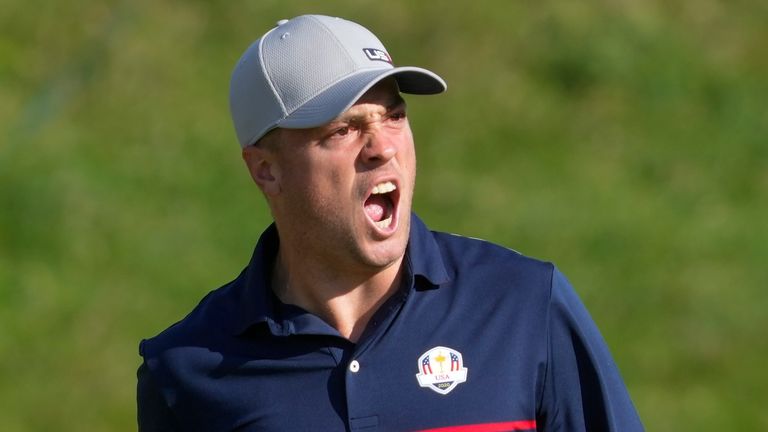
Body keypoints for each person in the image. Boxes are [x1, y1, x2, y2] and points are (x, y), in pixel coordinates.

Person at [137, 14, 644, 431]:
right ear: (266, 170)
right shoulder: (184, 370)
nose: (382, 147)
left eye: (394, 116)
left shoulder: (523, 305)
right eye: (344, 129)